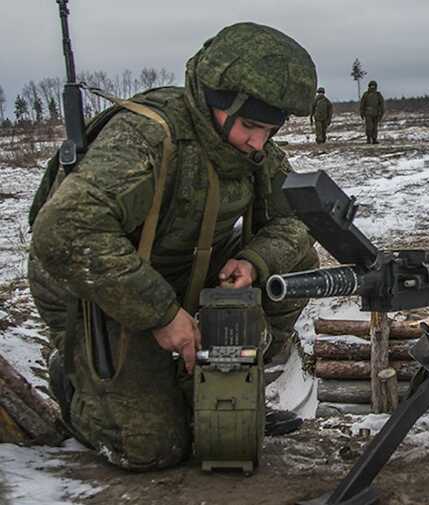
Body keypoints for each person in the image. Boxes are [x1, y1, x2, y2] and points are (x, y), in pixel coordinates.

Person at [27, 23, 319, 471]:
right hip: (97, 285)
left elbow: (296, 219)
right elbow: (64, 231)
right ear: (215, 103)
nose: (258, 143)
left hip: (186, 273)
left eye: (270, 129)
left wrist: (254, 261)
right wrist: (162, 314)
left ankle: (211, 382)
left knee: (296, 264)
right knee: (152, 448)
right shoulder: (145, 139)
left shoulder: (250, 151)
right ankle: (74, 379)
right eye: (250, 126)